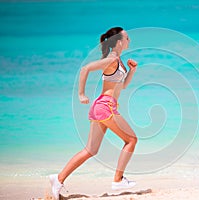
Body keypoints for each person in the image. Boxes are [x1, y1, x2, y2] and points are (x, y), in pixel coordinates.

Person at [49, 27, 138, 200]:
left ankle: (58, 179)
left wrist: (132, 71)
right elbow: (85, 69)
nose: (129, 40)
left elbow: (122, 86)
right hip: (106, 107)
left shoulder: (118, 60)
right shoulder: (112, 59)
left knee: (90, 150)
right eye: (127, 38)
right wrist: (81, 94)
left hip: (102, 107)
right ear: (119, 41)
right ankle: (118, 179)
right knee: (131, 140)